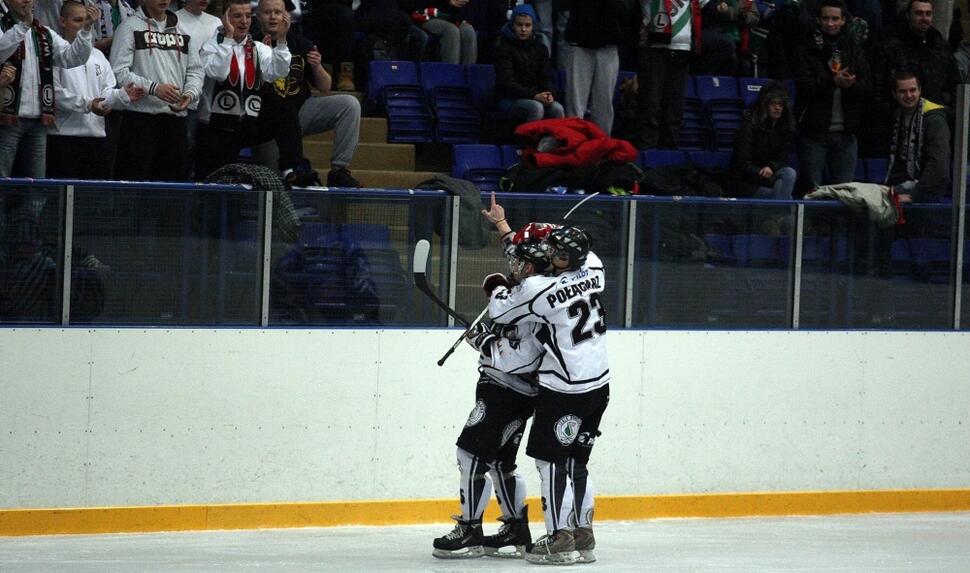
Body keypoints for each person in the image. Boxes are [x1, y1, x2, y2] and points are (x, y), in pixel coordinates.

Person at [481, 199, 609, 566]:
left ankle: (559, 537)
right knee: (576, 462)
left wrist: (498, 287)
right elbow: (547, 257)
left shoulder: (539, 291)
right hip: (599, 385)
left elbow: (501, 307)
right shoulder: (596, 267)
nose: (551, 253)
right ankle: (583, 533)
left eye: (558, 253)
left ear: (570, 259)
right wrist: (505, 229)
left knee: (549, 461)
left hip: (564, 390)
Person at [431, 231, 550, 560]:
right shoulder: (530, 288)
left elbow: (521, 357)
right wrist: (502, 226)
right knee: (500, 463)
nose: (512, 265)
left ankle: (470, 530)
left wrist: (482, 341)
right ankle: (516, 529)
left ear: (533, 268)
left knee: (468, 454)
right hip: (509, 390)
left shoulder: (536, 303)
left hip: (507, 390)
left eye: (519, 262)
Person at [193, 0, 308, 182]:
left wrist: (282, 41)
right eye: (237, 16)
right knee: (212, 183)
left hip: (247, 122)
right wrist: (229, 38)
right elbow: (220, 73)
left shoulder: (258, 48)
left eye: (247, 16)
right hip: (217, 126)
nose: (244, 21)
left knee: (284, 110)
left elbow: (277, 72)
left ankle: (290, 167)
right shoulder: (211, 46)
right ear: (225, 19)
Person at [253, 0, 362, 188]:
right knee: (274, 182)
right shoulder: (251, 43)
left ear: (286, 16)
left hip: (301, 111)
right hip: (267, 123)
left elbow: (325, 87)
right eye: (267, 12)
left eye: (277, 12)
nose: (273, 17)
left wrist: (317, 66)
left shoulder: (301, 43)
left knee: (349, 104)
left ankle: (339, 170)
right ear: (258, 16)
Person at [47, 0, 145, 179]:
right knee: (61, 198)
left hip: (97, 136)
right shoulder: (55, 54)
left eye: (88, 21)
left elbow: (107, 91)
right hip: (63, 136)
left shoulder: (99, 56)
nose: (85, 26)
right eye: (78, 21)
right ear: (62, 21)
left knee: (91, 197)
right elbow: (55, 94)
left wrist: (121, 96)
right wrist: (88, 105)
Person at [0, 0, 97, 178]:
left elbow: (72, 58)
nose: (27, 1)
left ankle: (28, 208)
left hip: (38, 120)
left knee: (37, 185)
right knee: (2, 179)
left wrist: (86, 30)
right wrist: (23, 27)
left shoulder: (43, 32)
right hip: (6, 118)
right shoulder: (3, 24)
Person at [109, 0, 204, 182]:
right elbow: (118, 72)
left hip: (176, 121)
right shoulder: (129, 28)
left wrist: (190, 94)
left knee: (173, 188)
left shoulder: (182, 31)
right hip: (139, 121)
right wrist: (154, 88)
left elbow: (195, 70)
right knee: (133, 186)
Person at [792, 0, 870, 190]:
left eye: (835, 18)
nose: (830, 23)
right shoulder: (806, 48)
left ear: (843, 20)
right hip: (814, 132)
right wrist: (833, 81)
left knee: (844, 193)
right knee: (812, 190)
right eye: (826, 18)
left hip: (846, 134)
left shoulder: (853, 50)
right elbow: (804, 84)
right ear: (818, 20)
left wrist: (850, 85)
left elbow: (867, 85)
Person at [635, 0, 710, 149]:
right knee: (651, 99)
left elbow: (705, 5)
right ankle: (647, 145)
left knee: (675, 102)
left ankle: (669, 146)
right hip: (654, 47)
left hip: (684, 47)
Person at [563, 0, 633, 135]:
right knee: (575, 103)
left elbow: (625, 8)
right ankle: (572, 141)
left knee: (604, 103)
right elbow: (563, 4)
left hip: (609, 43)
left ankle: (601, 144)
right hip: (579, 40)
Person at [885, 70, 951, 203]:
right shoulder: (897, 116)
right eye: (903, 91)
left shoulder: (934, 119)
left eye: (912, 90)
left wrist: (914, 196)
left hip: (926, 193)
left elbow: (938, 164)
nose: (909, 95)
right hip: (903, 187)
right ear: (895, 94)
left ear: (920, 90)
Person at [494, 4, 563, 126]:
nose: (523, 29)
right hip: (509, 98)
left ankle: (555, 143)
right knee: (536, 108)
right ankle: (528, 143)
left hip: (535, 95)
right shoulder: (503, 48)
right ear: (512, 25)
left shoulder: (541, 49)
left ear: (533, 27)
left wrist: (549, 94)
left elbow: (546, 78)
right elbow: (506, 83)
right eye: (519, 25)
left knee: (558, 109)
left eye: (528, 25)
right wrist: (534, 95)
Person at [730, 80, 797, 199]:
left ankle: (775, 216)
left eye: (780, 104)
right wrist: (762, 172)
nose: (777, 108)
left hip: (770, 176)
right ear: (765, 104)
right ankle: (777, 216)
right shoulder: (749, 126)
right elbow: (742, 163)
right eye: (773, 104)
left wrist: (771, 167)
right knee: (787, 198)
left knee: (789, 173)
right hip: (748, 181)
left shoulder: (785, 127)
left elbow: (783, 157)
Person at [402, 0, 476, 64]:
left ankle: (468, 74)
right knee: (451, 30)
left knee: (468, 31)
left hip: (449, 15)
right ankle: (451, 74)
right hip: (422, 15)